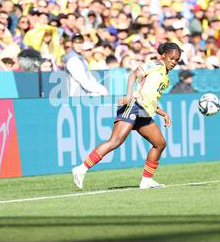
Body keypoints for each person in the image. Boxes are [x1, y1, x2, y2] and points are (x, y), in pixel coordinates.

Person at [72, 42, 182, 190]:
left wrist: (163, 113)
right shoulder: (155, 65)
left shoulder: (166, 77)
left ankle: (146, 180)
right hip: (134, 106)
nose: (174, 62)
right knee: (115, 141)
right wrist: (129, 95)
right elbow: (133, 75)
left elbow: (150, 98)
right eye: (172, 58)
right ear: (164, 56)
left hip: (144, 111)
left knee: (160, 144)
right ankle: (81, 169)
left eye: (177, 60)